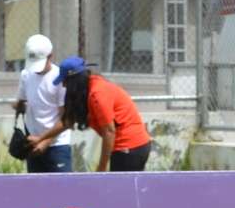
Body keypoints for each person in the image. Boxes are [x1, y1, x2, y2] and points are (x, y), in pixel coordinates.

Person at [30, 57, 152, 172]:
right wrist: (40, 138)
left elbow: (109, 132)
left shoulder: (97, 94)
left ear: (75, 80)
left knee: (120, 192)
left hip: (130, 146)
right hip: (127, 146)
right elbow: (68, 121)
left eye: (65, 81)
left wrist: (102, 168)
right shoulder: (87, 89)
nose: (63, 85)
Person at [13, 34, 70, 174]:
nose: (36, 68)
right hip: (33, 144)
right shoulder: (26, 74)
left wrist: (46, 141)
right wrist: (18, 106)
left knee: (62, 191)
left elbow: (66, 119)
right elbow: (22, 100)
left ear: (51, 56)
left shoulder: (60, 79)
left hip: (57, 146)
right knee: (35, 192)